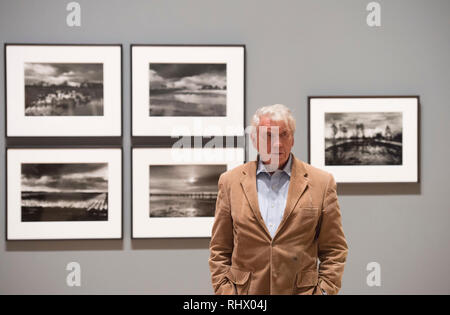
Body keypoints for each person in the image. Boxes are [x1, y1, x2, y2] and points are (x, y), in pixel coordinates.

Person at [208, 104, 348, 295]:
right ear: (254, 140)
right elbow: (220, 250)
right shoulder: (230, 182)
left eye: (284, 134)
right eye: (269, 135)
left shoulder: (322, 183)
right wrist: (226, 293)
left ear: (293, 138)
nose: (277, 144)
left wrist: (324, 292)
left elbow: (334, 249)